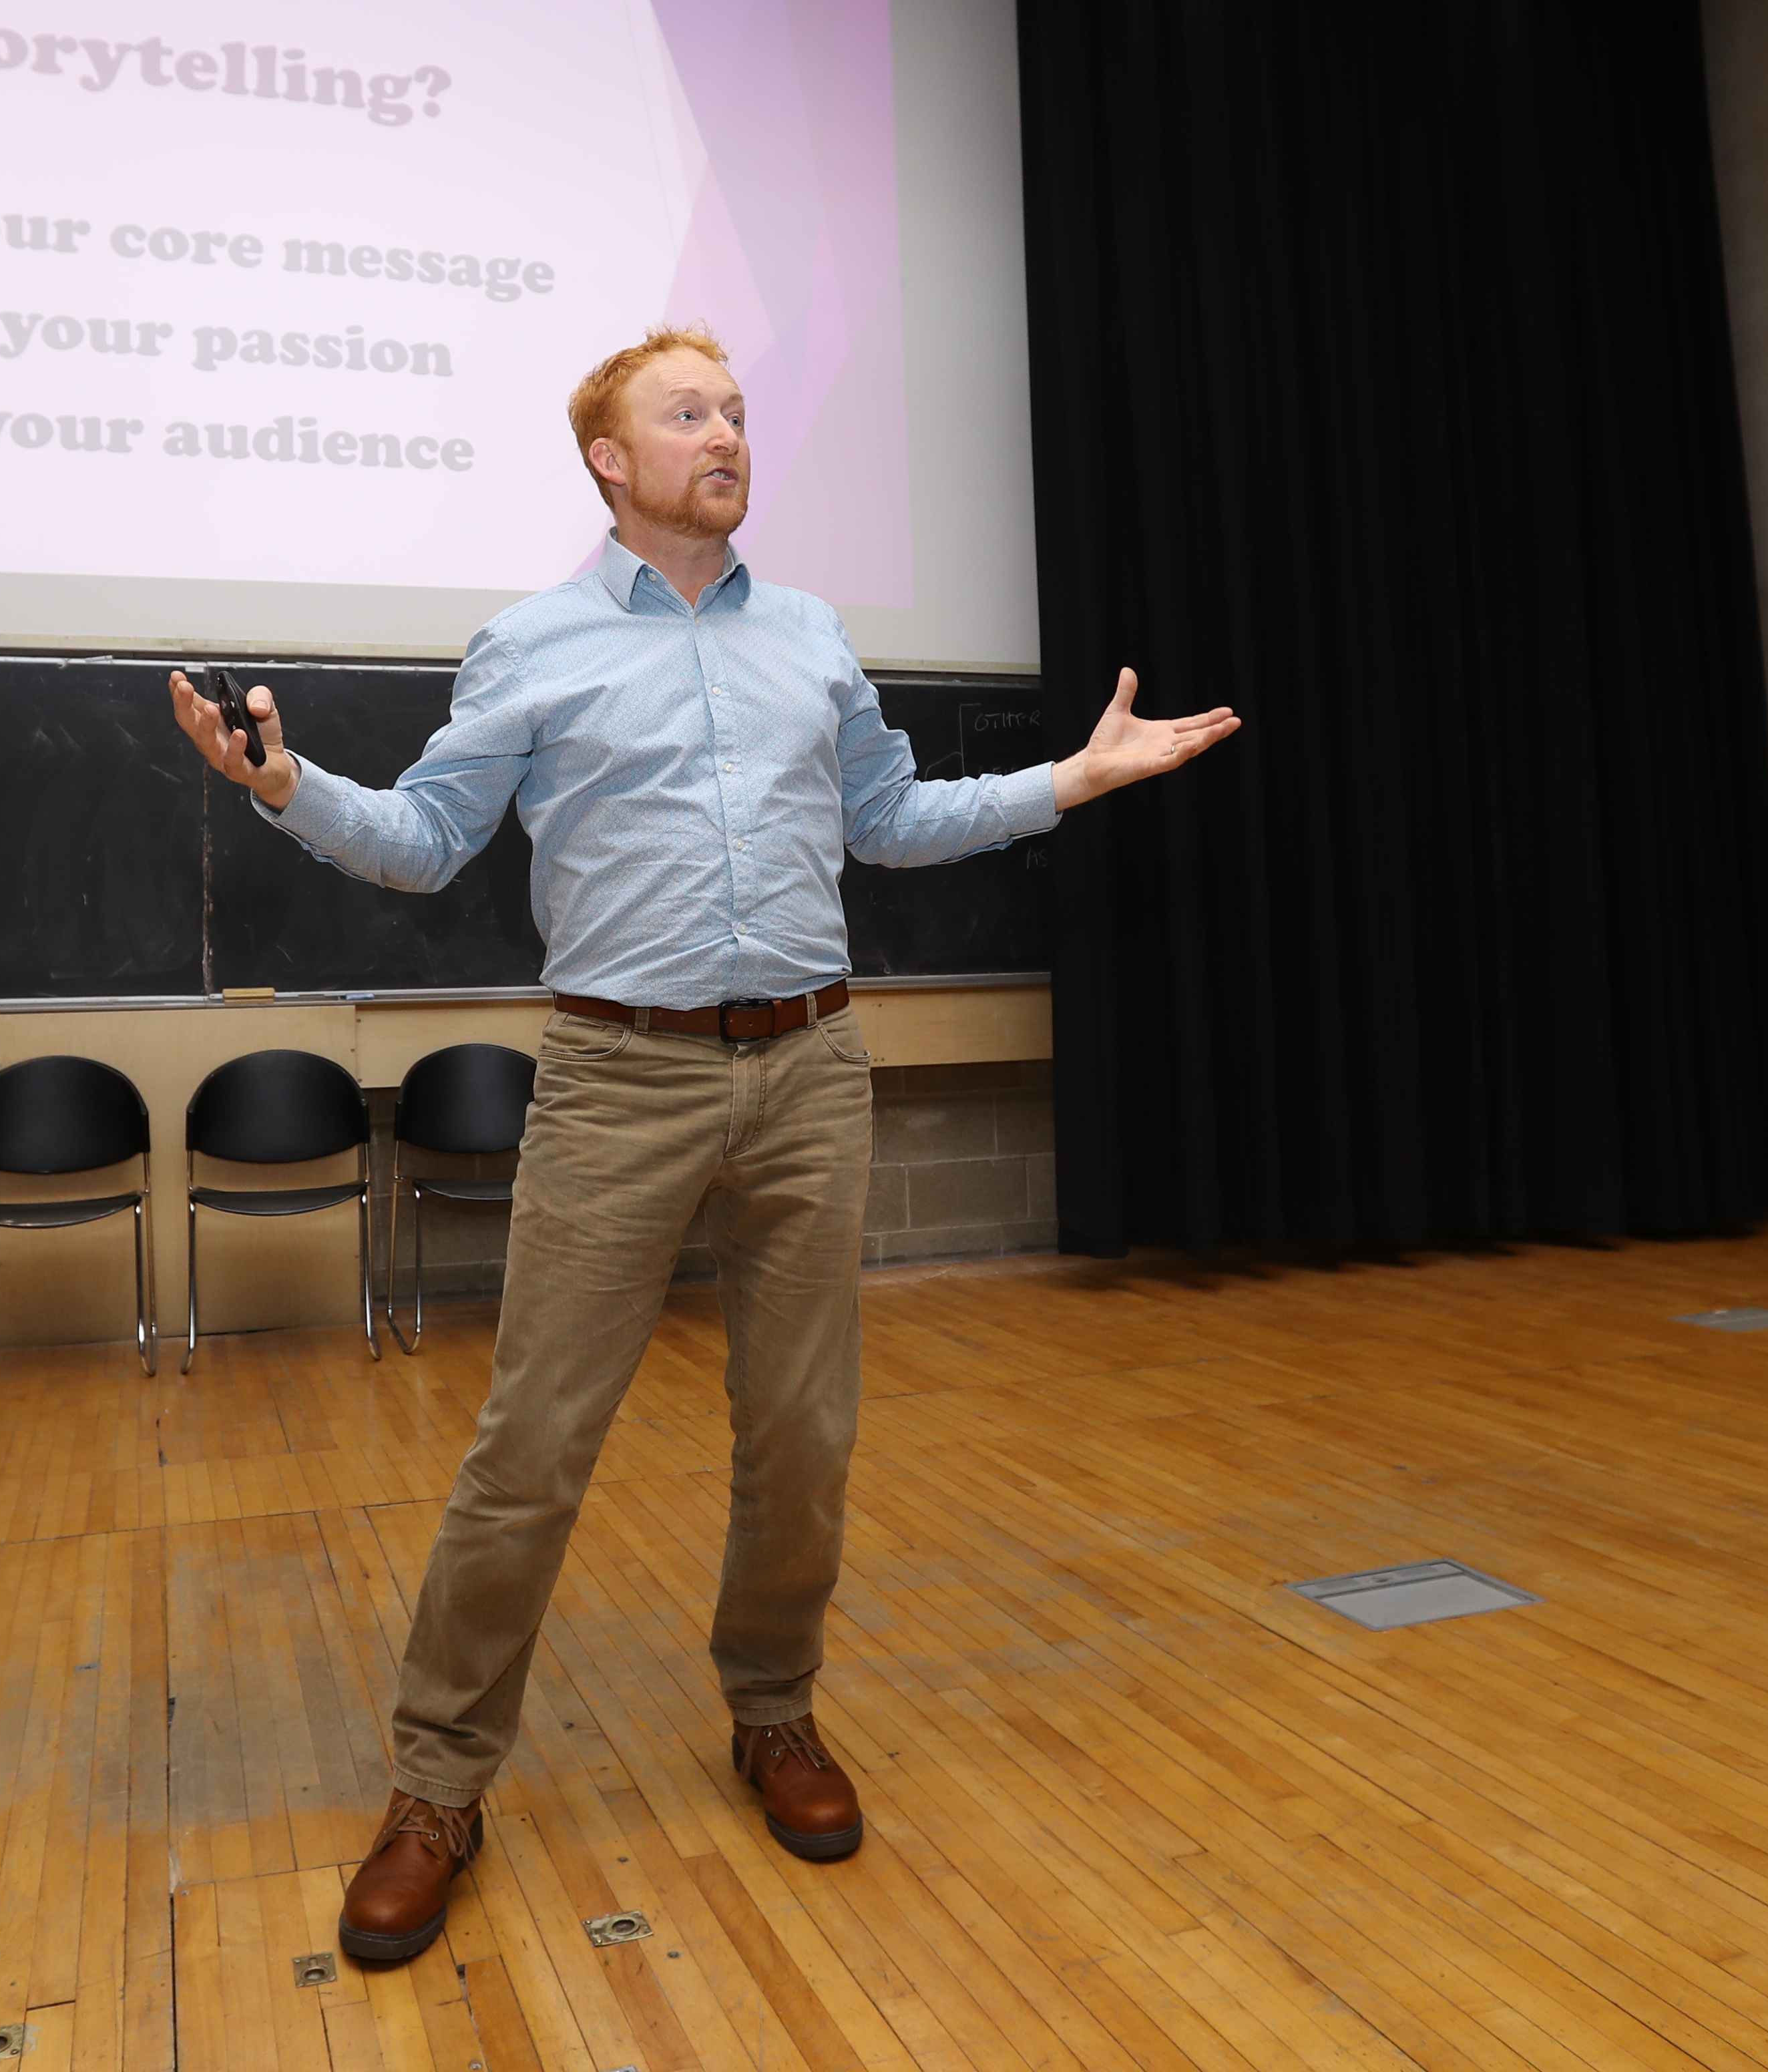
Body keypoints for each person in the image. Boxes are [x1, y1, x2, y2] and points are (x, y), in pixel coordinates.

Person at [167, 327, 1237, 1966]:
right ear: (608, 457)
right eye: (688, 413)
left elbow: (890, 822)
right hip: (621, 1076)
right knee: (531, 1454)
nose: (725, 434)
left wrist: (1068, 782)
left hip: (813, 1066)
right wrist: (289, 785)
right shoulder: (529, 645)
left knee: (802, 1435)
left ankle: (775, 1715)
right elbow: (431, 842)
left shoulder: (810, 635)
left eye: (736, 412)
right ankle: (439, 1786)